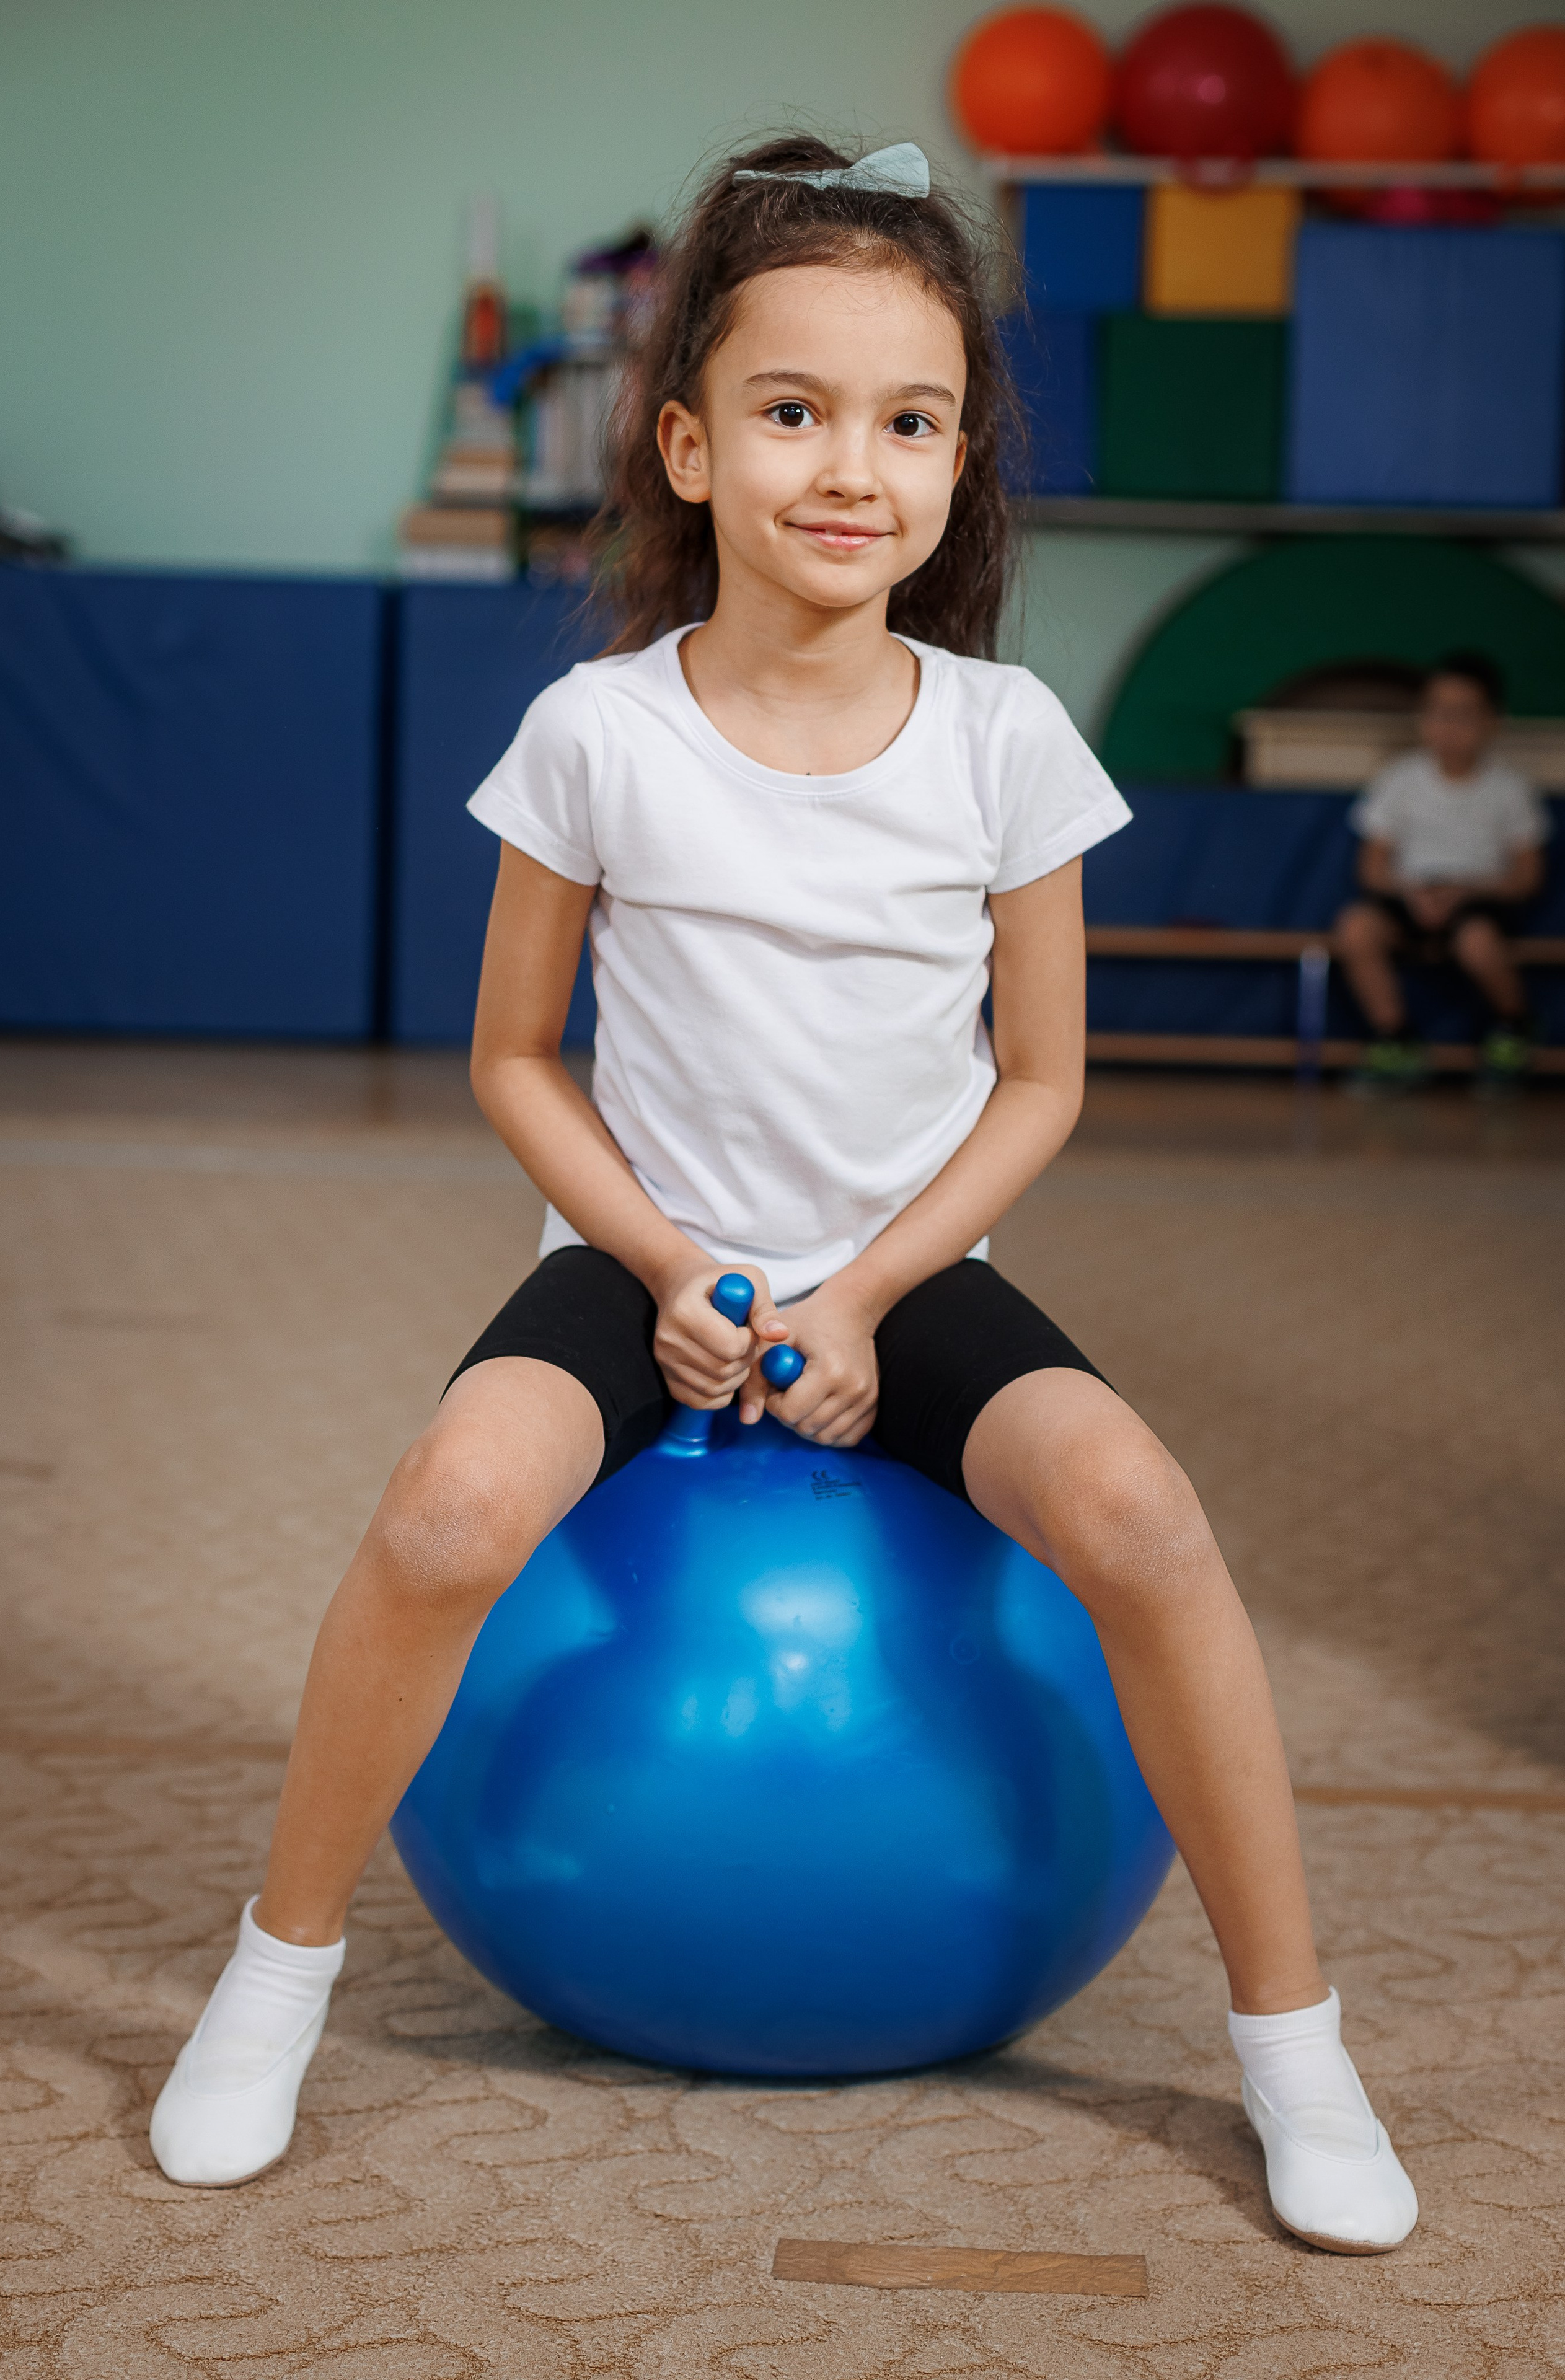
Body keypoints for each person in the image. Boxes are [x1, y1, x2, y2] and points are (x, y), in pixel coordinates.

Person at [150, 135, 1417, 2254]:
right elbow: (513, 1055)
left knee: (1145, 1519)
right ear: (689, 444)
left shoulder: (1007, 737)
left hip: (906, 1275)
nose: (854, 468)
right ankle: (271, 1982)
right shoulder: (597, 731)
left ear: (962, 462)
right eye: (796, 410)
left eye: (911, 422)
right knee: (448, 1514)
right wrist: (664, 1264)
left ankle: (1298, 2047)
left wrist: (865, 1297)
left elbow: (1042, 1080)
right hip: (636, 1259)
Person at [1336, 652, 1550, 1093]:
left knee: (1478, 942)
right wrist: (1411, 891)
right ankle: (1395, 1038)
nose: (1449, 726)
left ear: (1492, 721)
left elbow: (1527, 877)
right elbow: (1371, 868)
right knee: (1356, 929)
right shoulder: (1399, 779)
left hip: (1478, 899)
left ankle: (1513, 1028)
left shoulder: (1510, 789)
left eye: (1463, 714)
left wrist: (1465, 891)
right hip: (1410, 893)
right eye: (1438, 712)